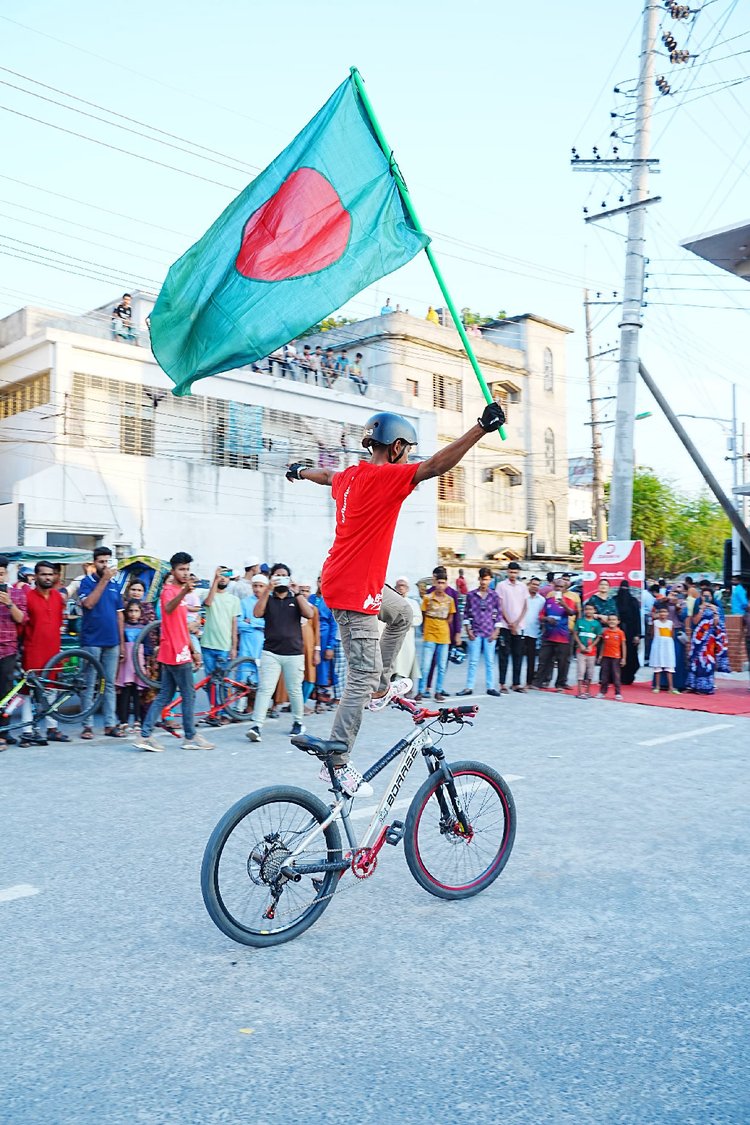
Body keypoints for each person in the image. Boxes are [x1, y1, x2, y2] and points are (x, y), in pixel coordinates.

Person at [286, 402, 505, 795]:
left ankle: (382, 686)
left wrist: (299, 471)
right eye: (409, 450)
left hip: (348, 579)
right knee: (359, 676)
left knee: (403, 612)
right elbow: (436, 466)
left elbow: (324, 475)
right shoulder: (386, 478)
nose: (411, 457)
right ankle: (337, 762)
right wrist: (480, 429)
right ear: (398, 446)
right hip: (354, 591)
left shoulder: (349, 476)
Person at [135, 552, 213, 752]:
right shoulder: (169, 591)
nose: (185, 573)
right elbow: (169, 609)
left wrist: (193, 649)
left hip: (179, 649)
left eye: (187, 569)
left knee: (165, 695)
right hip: (175, 651)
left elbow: (181, 626)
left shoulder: (184, 594)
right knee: (189, 695)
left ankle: (145, 735)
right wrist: (183, 592)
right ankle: (190, 737)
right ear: (173, 571)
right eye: (181, 569)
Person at [245, 563, 314, 742]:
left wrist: (297, 591)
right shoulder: (268, 598)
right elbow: (257, 613)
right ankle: (256, 726)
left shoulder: (295, 599)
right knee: (265, 689)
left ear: (289, 578)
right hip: (271, 652)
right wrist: (268, 588)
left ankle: (298, 722)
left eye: (284, 575)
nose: (280, 578)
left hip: (293, 653)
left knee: (294, 690)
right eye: (277, 575)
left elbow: (309, 614)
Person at [19, 560, 70, 746]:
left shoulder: (58, 597)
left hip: (53, 651)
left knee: (52, 689)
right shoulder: (27, 597)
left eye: (50, 574)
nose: (47, 577)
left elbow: (58, 624)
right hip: (33, 651)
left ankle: (52, 728)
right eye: (43, 574)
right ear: (36, 576)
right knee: (28, 691)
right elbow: (22, 625)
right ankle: (27, 731)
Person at [79, 547, 125, 738]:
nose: (105, 565)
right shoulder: (86, 582)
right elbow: (88, 604)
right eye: (101, 562)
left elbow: (119, 615)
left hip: (112, 641)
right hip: (91, 641)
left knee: (109, 684)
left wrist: (121, 644)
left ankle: (109, 724)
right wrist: (104, 580)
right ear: (94, 563)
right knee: (88, 683)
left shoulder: (115, 584)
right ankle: (87, 725)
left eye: (108, 561)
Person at [201, 566, 241, 712]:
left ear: (230, 578)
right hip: (207, 645)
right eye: (221, 575)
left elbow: (234, 625)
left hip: (224, 646)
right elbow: (208, 603)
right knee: (210, 682)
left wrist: (234, 647)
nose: (223, 578)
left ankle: (224, 711)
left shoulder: (234, 600)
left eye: (226, 575)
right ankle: (214, 711)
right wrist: (215, 579)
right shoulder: (208, 593)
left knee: (223, 681)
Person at [460, 567, 501, 697]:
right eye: (482, 579)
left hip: (489, 631)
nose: (484, 582)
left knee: (490, 661)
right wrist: (468, 630)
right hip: (475, 631)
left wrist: (496, 631)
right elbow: (466, 613)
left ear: (490, 580)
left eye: (487, 579)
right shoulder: (471, 595)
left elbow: (499, 614)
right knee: (473, 661)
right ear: (479, 579)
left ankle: (490, 687)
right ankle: (469, 687)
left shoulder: (494, 596)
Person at [0, 555, 26, 749]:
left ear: (7, 574)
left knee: (6, 693)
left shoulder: (16, 594)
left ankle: (4, 731)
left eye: (1, 574)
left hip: (8, 648)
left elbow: (21, 619)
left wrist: (9, 603)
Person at [533, 577, 576, 691]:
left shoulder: (569, 600)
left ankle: (560, 683)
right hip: (548, 635)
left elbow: (571, 613)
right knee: (544, 660)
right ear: (553, 587)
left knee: (563, 662)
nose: (558, 588)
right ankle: (538, 682)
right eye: (557, 586)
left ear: (565, 588)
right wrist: (547, 619)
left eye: (561, 587)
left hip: (563, 636)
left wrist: (563, 604)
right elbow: (541, 616)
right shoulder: (548, 600)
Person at [417, 574, 456, 702]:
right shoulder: (428, 598)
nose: (440, 585)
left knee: (442, 666)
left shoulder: (450, 600)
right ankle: (420, 691)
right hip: (430, 634)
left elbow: (451, 617)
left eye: (443, 583)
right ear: (435, 583)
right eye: (438, 582)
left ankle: (438, 691)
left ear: (446, 584)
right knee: (425, 665)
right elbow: (422, 613)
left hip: (444, 635)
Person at [496, 562, 528, 693]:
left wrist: (516, 623)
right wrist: (510, 623)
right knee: (503, 654)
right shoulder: (501, 586)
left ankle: (516, 683)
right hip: (505, 626)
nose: (513, 575)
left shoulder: (522, 586)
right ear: (507, 572)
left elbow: (525, 606)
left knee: (518, 655)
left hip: (519, 626)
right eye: (510, 572)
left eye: (515, 572)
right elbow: (500, 606)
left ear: (518, 573)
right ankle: (502, 684)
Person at [685, 591, 726, 695]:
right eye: (704, 595)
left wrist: (715, 612)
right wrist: (702, 609)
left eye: (708, 595)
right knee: (696, 661)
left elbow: (717, 624)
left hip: (710, 639)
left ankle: (705, 686)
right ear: (701, 597)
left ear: (712, 597)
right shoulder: (698, 607)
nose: (706, 597)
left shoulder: (716, 608)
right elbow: (694, 621)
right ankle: (693, 685)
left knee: (707, 662)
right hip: (698, 638)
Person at [115, 600, 148, 729]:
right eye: (131, 611)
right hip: (126, 660)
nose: (133, 614)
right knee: (125, 690)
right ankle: (123, 720)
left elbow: (147, 647)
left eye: (136, 611)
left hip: (138, 661)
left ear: (140, 612)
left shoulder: (143, 628)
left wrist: (147, 663)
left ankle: (137, 719)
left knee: (137, 690)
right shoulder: (124, 628)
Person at [308, 576, 338, 712]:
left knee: (323, 670)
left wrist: (330, 646)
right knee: (310, 668)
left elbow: (333, 624)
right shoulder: (311, 599)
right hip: (310, 637)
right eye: (319, 581)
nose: (322, 584)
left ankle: (322, 701)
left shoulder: (332, 600)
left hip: (324, 638)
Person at [390, 577, 421, 692]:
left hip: (407, 639)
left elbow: (418, 619)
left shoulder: (413, 603)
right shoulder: (391, 603)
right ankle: (391, 693)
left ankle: (408, 691)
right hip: (393, 638)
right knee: (393, 666)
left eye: (403, 586)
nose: (401, 588)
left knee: (408, 665)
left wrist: (406, 621)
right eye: (399, 586)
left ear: (407, 588)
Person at [237, 574, 267, 686]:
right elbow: (239, 624)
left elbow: (269, 624)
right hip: (246, 643)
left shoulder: (269, 602)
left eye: (260, 586)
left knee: (259, 681)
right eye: (255, 586)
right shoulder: (245, 602)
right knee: (243, 680)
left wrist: (252, 622)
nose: (257, 589)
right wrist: (259, 625)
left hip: (262, 644)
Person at [297, 579, 321, 709]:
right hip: (295, 647)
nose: (304, 593)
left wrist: (317, 650)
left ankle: (302, 702)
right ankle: (295, 703)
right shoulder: (293, 607)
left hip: (310, 648)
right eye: (302, 591)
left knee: (310, 676)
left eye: (307, 591)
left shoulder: (313, 609)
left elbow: (316, 630)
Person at [574, 602, 602, 699]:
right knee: (581, 670)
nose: (588, 611)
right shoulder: (580, 621)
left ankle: (588, 691)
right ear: (584, 610)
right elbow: (575, 633)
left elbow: (598, 637)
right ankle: (580, 691)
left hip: (592, 651)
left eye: (591, 609)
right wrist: (580, 644)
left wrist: (592, 646)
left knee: (590, 671)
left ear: (594, 611)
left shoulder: (597, 624)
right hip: (580, 651)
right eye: (587, 609)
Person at [616, 580, 641, 685]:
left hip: (631, 632)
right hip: (616, 631)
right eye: (623, 588)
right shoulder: (615, 600)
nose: (624, 591)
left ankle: (628, 677)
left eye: (626, 589)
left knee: (631, 656)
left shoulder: (633, 601)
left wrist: (637, 635)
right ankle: (615, 676)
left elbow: (637, 619)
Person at [521, 576, 544, 688]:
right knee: (518, 658)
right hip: (521, 631)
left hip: (534, 632)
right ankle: (516, 682)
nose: (535, 587)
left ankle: (529, 682)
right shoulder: (522, 597)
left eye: (537, 585)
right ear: (529, 584)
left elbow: (542, 615)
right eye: (533, 584)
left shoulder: (541, 600)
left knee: (531, 659)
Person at [650, 605, 678, 694]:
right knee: (657, 665)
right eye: (661, 612)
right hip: (658, 645)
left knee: (669, 665)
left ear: (668, 613)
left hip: (668, 646)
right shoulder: (655, 623)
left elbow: (672, 635)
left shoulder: (670, 623)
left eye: (665, 612)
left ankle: (671, 687)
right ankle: (657, 686)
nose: (663, 614)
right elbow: (652, 634)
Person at [598, 614, 627, 701]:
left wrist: (623, 658)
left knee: (616, 675)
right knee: (604, 675)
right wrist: (600, 655)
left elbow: (623, 645)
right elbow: (603, 644)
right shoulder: (605, 632)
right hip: (606, 656)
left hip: (616, 657)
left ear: (618, 622)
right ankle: (602, 692)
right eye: (610, 619)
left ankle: (618, 693)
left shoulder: (620, 632)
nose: (612, 621)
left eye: (614, 620)